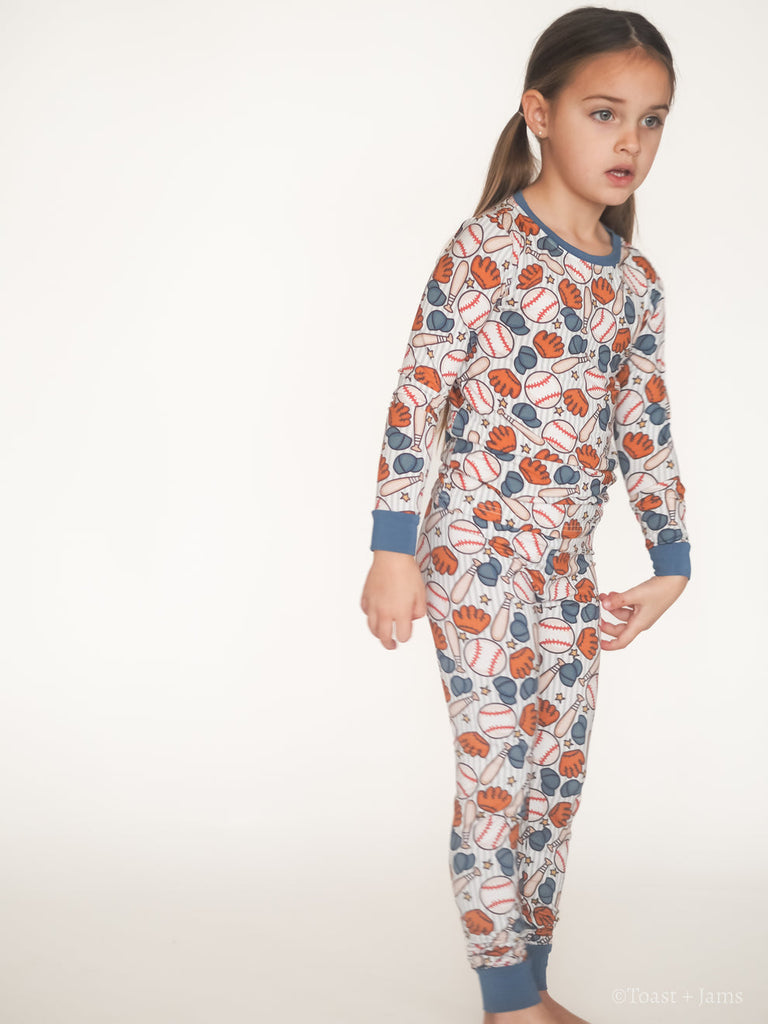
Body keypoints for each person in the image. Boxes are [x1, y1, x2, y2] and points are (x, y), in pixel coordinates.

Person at [360, 7, 691, 1023]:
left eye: (652, 119)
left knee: (555, 779)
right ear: (540, 113)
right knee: (497, 775)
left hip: (566, 570)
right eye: (605, 113)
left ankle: (529, 982)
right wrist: (392, 550)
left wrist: (672, 559)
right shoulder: (487, 250)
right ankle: (509, 1002)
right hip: (475, 554)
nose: (630, 141)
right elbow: (418, 398)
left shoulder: (635, 283)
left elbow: (645, 426)